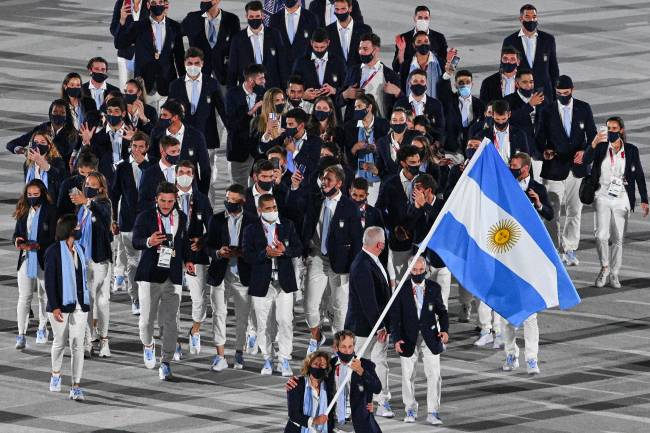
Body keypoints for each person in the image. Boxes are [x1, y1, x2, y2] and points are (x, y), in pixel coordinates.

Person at [297, 165, 362, 353]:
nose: (324, 182)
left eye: (329, 179)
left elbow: (357, 240)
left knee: (340, 306)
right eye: (323, 178)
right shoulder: (315, 200)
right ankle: (316, 335)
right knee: (310, 304)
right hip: (317, 256)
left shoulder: (349, 207)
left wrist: (353, 268)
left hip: (341, 264)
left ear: (339, 183)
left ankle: (339, 343)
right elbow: (298, 211)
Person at [500, 152, 554, 375]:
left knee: (530, 314)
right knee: (507, 312)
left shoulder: (537, 188)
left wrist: (538, 204)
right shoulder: (503, 186)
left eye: (514, 166)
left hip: (529, 257)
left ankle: (532, 358)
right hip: (507, 255)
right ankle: (511, 353)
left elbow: (550, 214)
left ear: (525, 169)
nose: (510, 168)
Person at [132, 181, 191, 380]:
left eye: (170, 201)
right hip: (149, 274)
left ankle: (165, 362)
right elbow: (135, 241)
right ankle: (148, 345)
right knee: (146, 321)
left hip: (172, 275)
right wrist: (149, 241)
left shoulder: (181, 217)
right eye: (163, 200)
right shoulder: (145, 216)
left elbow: (183, 244)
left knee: (170, 321)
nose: (166, 205)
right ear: (156, 199)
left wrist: (188, 261)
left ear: (175, 200)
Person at [536, 75, 597, 266]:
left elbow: (593, 137)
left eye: (566, 93)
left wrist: (585, 153)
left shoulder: (583, 108)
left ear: (572, 90)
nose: (563, 96)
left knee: (574, 211)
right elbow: (538, 138)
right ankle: (554, 250)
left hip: (577, 169)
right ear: (555, 92)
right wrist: (543, 152)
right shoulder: (546, 110)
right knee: (552, 212)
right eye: (559, 93)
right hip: (554, 168)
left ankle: (570, 248)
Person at [584, 117, 649, 288]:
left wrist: (644, 199)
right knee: (601, 235)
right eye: (608, 128)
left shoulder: (631, 150)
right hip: (602, 194)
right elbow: (585, 160)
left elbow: (639, 175)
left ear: (621, 130)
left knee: (618, 238)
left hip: (622, 196)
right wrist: (594, 142)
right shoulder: (600, 147)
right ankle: (604, 268)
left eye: (614, 128)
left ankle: (614, 273)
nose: (611, 131)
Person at [243, 194, 302, 376]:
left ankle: (284, 359)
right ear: (260, 210)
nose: (272, 211)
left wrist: (285, 251)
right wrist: (265, 254)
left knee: (285, 321)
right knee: (263, 324)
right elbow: (247, 255)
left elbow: (299, 248)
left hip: (283, 282)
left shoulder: (288, 225)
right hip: (262, 283)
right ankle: (267, 359)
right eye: (268, 208)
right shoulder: (251, 229)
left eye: (274, 207)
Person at [391, 256, 449, 425]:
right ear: (409, 271)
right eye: (414, 270)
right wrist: (396, 339)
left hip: (431, 337)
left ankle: (433, 412)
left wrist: (444, 330)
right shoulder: (401, 290)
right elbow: (395, 317)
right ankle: (410, 408)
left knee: (434, 375)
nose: (417, 273)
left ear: (426, 270)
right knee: (407, 375)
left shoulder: (434, 288)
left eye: (420, 270)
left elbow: (442, 312)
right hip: (408, 338)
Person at [345, 226, 393, 417]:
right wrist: (380, 326)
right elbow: (368, 301)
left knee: (380, 363)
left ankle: (382, 401)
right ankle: (351, 404)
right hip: (363, 329)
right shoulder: (362, 265)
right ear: (380, 244)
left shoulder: (370, 260)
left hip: (374, 326)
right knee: (357, 366)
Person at [206, 184, 255, 370]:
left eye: (234, 200)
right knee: (219, 314)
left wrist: (243, 254)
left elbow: (257, 248)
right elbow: (208, 246)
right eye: (227, 199)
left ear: (243, 201)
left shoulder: (252, 221)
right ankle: (220, 356)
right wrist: (218, 252)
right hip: (220, 273)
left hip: (243, 275)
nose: (230, 202)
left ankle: (239, 353)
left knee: (242, 317)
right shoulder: (216, 219)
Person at [44, 214, 90, 400]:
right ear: (69, 229)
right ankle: (56, 374)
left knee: (77, 344)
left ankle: (76, 385)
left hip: (79, 304)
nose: (79, 229)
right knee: (60, 342)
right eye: (76, 227)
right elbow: (49, 281)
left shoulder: (80, 249)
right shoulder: (53, 251)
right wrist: (54, 306)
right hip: (60, 305)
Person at [114, 0, 186, 112]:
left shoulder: (175, 27)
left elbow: (179, 57)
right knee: (148, 118)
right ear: (148, 5)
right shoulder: (138, 26)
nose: (157, 5)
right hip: (144, 84)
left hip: (167, 82)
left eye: (160, 2)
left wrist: (183, 83)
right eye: (153, 2)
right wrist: (122, 21)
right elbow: (119, 44)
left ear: (166, 4)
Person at [70, 172, 113, 357]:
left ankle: (104, 340)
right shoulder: (81, 207)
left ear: (101, 188)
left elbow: (103, 219)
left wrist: (87, 202)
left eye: (92, 184)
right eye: (87, 182)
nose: (88, 186)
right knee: (87, 300)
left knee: (101, 302)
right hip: (82, 259)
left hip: (99, 259)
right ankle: (88, 339)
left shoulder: (104, 204)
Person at [174, 161, 213, 359]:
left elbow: (212, 228)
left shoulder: (202, 200)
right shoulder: (166, 197)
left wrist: (203, 240)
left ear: (194, 175)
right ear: (175, 174)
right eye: (181, 172)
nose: (185, 175)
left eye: (188, 172)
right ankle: (174, 341)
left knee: (199, 298)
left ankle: (195, 330)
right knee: (173, 301)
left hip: (195, 255)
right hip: (172, 255)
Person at [13, 180, 57, 349]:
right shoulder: (24, 211)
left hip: (43, 258)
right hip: (26, 257)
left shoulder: (51, 211)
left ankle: (42, 328)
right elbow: (17, 232)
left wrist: (39, 245)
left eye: (35, 195)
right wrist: (18, 240)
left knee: (43, 295)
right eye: (29, 195)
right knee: (24, 297)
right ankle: (21, 334)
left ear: (42, 194)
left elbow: (54, 236)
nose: (32, 198)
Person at [111, 131, 152, 314]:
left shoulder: (153, 167)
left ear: (147, 148)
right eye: (134, 146)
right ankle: (135, 297)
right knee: (133, 262)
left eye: (140, 147)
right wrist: (113, 219)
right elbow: (114, 195)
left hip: (148, 223)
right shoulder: (122, 167)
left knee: (148, 262)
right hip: (127, 222)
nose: (136, 150)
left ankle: (147, 296)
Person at [167, 47, 225, 166]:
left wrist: (232, 131)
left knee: (207, 173)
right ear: (184, 63)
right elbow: (169, 112)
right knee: (184, 172)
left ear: (202, 63)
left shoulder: (212, 84)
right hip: (183, 138)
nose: (193, 66)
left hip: (207, 136)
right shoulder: (175, 85)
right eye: (190, 63)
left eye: (197, 63)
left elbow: (223, 110)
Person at [375, 146, 421, 280]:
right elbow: (379, 209)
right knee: (402, 280)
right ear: (402, 163)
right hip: (399, 242)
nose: (417, 165)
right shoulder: (389, 183)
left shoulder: (425, 180)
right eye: (412, 163)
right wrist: (393, 228)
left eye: (418, 162)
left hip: (422, 239)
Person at [149, 99, 211, 194]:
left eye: (164, 115)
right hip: (163, 191)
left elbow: (205, 168)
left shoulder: (196, 135)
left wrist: (202, 194)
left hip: (189, 189)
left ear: (175, 117)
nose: (161, 118)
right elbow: (153, 161)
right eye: (161, 115)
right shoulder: (156, 133)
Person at [501, 4, 559, 99]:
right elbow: (504, 69)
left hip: (544, 94)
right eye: (527, 17)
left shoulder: (548, 39)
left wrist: (556, 95)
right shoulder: (510, 41)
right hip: (520, 94)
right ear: (521, 19)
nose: (531, 20)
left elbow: (554, 69)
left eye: (534, 17)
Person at [340, 33, 401, 122]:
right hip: (355, 125)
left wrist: (397, 92)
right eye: (360, 49)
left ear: (375, 50)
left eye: (365, 49)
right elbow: (339, 101)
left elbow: (401, 104)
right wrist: (345, 94)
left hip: (380, 126)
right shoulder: (352, 71)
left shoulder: (391, 76)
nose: (361, 52)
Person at [227, 1, 288, 89]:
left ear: (262, 16)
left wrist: (284, 89)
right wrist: (231, 93)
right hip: (248, 89)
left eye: (257, 16)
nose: (254, 19)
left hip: (272, 89)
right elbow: (232, 69)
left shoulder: (274, 34)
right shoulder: (238, 39)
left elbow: (282, 64)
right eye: (251, 17)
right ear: (246, 17)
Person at [181, 0, 241, 87]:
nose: (204, 1)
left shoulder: (232, 20)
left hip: (224, 75)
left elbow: (237, 48)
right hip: (198, 75)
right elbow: (175, 34)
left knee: (225, 100)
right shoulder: (192, 18)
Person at [224, 64, 266, 187]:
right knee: (238, 189)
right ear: (251, 81)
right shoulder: (232, 95)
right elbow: (231, 124)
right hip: (239, 148)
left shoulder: (264, 93)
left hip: (259, 150)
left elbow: (273, 114)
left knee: (258, 188)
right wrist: (252, 111)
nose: (264, 81)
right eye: (261, 79)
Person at [7, 99, 81, 166]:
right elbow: (11, 144)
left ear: (67, 115)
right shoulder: (42, 128)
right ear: (50, 113)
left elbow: (62, 151)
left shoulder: (72, 133)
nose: (58, 115)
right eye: (55, 112)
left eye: (62, 113)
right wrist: (24, 151)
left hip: (61, 173)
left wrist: (46, 139)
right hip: (37, 171)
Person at [79, 97, 135, 187]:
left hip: (130, 182)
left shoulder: (134, 134)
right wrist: (86, 143)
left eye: (116, 111)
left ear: (123, 113)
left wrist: (133, 142)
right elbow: (87, 161)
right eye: (109, 111)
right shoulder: (97, 137)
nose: (112, 114)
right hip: (106, 185)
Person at [291, 29, 347, 107]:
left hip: (333, 111)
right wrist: (303, 95)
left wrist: (334, 90)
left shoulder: (338, 62)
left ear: (328, 43)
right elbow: (292, 86)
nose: (319, 50)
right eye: (316, 47)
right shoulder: (301, 62)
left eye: (322, 47)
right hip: (307, 111)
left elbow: (346, 87)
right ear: (311, 43)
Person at [284, 351, 335, 432]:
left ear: (327, 367)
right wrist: (314, 420)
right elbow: (293, 414)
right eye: (315, 364)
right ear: (309, 365)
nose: (318, 367)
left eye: (322, 365)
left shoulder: (329, 387)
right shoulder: (296, 384)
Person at [438, 68, 485, 156]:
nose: (464, 85)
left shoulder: (480, 105)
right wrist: (447, 74)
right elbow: (441, 88)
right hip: (452, 148)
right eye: (461, 82)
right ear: (455, 85)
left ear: (472, 84)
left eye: (467, 82)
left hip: (472, 148)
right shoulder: (449, 101)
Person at [392, 5, 448, 72]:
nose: (423, 20)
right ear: (414, 18)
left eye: (426, 18)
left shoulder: (439, 38)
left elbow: (444, 66)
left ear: (429, 18)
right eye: (420, 18)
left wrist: (449, 60)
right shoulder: (404, 38)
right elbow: (396, 68)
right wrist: (401, 51)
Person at [269, 0, 318, 69]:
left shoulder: (311, 17)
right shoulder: (274, 19)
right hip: (281, 72)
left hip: (304, 70)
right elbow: (271, 47)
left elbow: (315, 45)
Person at [110, 0, 148, 90]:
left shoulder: (151, 3)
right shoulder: (121, 3)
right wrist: (122, 20)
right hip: (125, 54)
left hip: (145, 55)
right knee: (126, 89)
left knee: (145, 91)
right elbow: (113, 29)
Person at [394, 69, 446, 134]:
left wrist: (435, 143)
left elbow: (441, 129)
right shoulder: (399, 104)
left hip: (429, 142)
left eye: (422, 81)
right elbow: (396, 127)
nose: (419, 84)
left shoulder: (436, 104)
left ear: (426, 83)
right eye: (415, 81)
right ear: (410, 83)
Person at [22, 131, 67, 206]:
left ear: (49, 146)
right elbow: (27, 186)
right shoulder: (27, 165)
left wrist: (43, 164)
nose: (38, 145)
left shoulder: (57, 161)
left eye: (42, 142)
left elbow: (60, 177)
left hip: (51, 205)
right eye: (35, 142)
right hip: (32, 203)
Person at [138, 135, 182, 210]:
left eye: (178, 151)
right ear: (162, 151)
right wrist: (159, 204)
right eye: (173, 152)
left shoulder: (185, 171)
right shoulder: (149, 174)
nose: (176, 155)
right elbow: (142, 203)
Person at [478, 99, 529, 163]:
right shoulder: (482, 135)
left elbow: (526, 159)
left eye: (503, 119)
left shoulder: (520, 134)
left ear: (509, 114)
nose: (501, 122)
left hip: (511, 172)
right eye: (497, 119)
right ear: (492, 115)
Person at [325, 0, 372, 68]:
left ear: (350, 8)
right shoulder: (327, 31)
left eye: (343, 9)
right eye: (337, 9)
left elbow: (369, 57)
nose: (340, 12)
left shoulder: (364, 30)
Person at [375, 108, 417, 179]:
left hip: (411, 184)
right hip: (389, 184)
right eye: (395, 120)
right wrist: (375, 170)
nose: (398, 123)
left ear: (406, 121)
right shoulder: (382, 142)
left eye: (401, 120)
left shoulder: (415, 137)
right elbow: (380, 167)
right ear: (390, 122)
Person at [57, 151, 99, 216]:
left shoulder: (101, 184)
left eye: (89, 173)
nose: (85, 175)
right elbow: (60, 209)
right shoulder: (68, 184)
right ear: (77, 169)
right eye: (82, 172)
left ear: (96, 170)